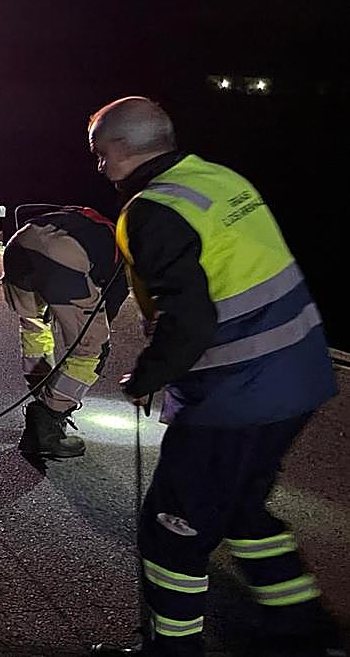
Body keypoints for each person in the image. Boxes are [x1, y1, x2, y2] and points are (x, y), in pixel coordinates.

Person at [86, 97, 340, 657]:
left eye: (100, 154)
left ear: (121, 148)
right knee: (242, 509)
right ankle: (303, 629)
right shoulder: (218, 179)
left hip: (235, 396)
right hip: (301, 376)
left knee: (171, 530)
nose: (100, 167)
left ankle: (173, 649)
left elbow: (190, 320)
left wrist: (146, 375)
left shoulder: (151, 212)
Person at [1, 205, 128, 458]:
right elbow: (104, 315)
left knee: (34, 325)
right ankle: (48, 418)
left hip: (17, 246)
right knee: (93, 349)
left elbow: (25, 211)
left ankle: (43, 396)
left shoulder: (91, 223)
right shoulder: (123, 259)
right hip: (62, 256)